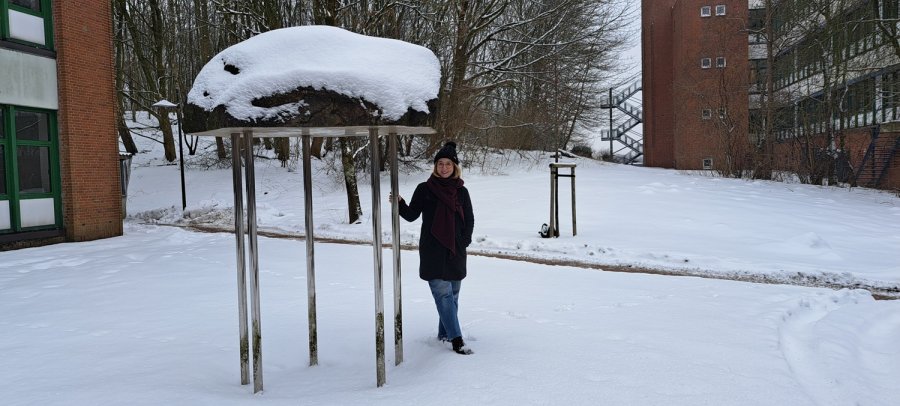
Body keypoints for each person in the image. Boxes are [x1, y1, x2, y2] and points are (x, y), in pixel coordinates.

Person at [390, 141, 475, 355]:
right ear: (435, 167)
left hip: (455, 251)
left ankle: (444, 334)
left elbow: (470, 220)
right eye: (440, 164)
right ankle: (456, 340)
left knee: (453, 296)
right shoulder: (425, 189)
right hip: (433, 251)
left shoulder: (461, 192)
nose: (444, 168)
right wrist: (399, 203)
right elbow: (411, 215)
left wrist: (464, 241)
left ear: (454, 167)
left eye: (448, 164)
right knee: (443, 296)